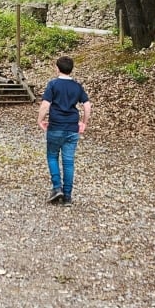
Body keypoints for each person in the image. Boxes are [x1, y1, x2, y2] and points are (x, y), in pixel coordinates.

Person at [37, 56, 92, 206]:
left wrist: (40, 120)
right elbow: (87, 106)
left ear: (57, 68)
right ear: (71, 69)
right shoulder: (77, 86)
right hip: (72, 128)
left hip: (55, 126)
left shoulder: (53, 84)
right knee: (68, 162)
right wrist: (84, 123)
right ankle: (67, 196)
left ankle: (57, 188)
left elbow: (45, 105)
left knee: (52, 156)